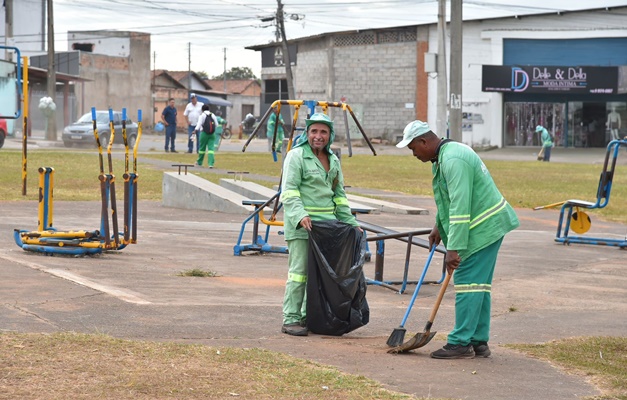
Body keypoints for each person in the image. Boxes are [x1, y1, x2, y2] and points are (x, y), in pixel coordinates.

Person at [396, 120, 520, 359]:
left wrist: (454, 248)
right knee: (479, 286)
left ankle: (460, 343)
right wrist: (439, 226)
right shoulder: (442, 157)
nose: (413, 154)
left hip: (483, 226)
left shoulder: (452, 160)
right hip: (486, 225)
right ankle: (478, 342)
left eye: (413, 148)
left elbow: (461, 207)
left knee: (466, 282)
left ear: (424, 141)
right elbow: (448, 200)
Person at [279, 113, 360, 337]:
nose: (318, 136)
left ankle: (310, 316)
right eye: (314, 131)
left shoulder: (333, 160)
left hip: (328, 230)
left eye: (323, 132)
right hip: (303, 227)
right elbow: (290, 192)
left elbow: (339, 195)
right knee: (299, 274)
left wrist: (350, 222)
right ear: (307, 134)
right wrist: (300, 215)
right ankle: (291, 318)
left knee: (320, 278)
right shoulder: (296, 156)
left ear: (330, 135)